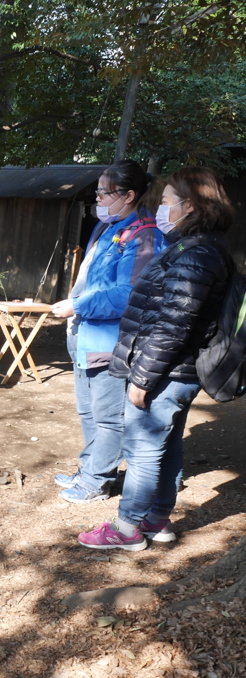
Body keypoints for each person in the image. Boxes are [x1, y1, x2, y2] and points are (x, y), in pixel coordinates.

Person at [79, 166, 237, 550]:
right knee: (165, 446)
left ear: (191, 205)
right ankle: (157, 519)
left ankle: (128, 528)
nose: (161, 209)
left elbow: (173, 324)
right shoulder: (195, 248)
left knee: (144, 448)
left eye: (167, 202)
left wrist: (142, 378)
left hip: (167, 370)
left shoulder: (197, 255)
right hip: (174, 369)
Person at [51, 161, 163, 503]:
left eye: (104, 192)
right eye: (97, 191)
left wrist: (78, 306)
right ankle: (89, 470)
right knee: (87, 411)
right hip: (85, 336)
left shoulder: (144, 235)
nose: (98, 198)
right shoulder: (107, 226)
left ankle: (97, 481)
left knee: (108, 417)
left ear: (128, 195)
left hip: (113, 341)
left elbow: (129, 295)